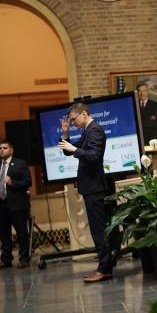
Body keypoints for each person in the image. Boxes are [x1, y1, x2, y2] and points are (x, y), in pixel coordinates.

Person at [58, 102, 114, 283]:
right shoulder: (87, 131)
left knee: (98, 232)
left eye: (74, 119)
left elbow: (93, 156)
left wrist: (75, 150)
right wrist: (66, 133)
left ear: (84, 113)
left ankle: (104, 270)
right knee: (97, 231)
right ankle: (105, 268)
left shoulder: (95, 130)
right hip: (91, 188)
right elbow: (67, 152)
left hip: (95, 188)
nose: (73, 122)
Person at [0, 140, 32, 270]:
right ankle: (6, 259)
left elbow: (28, 182)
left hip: (17, 205)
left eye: (4, 148)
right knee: (4, 235)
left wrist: (12, 183)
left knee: (22, 233)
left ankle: (24, 259)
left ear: (11, 150)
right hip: (0, 206)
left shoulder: (20, 164)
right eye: (0, 148)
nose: (1, 150)